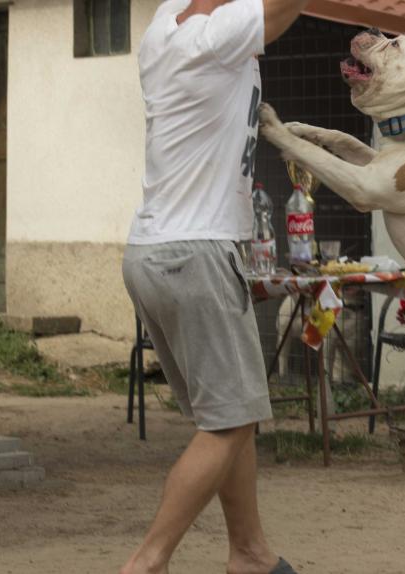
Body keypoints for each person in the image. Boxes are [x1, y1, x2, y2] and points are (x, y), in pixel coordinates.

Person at [120, 1, 308, 573]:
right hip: (194, 252)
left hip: (154, 251)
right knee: (230, 422)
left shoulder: (164, 25)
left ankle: (249, 551)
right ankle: (147, 563)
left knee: (231, 413)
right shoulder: (212, 35)